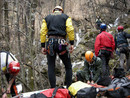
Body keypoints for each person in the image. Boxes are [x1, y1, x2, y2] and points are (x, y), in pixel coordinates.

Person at [40, 6, 74, 88]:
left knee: (51, 67)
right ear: (61, 11)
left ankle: (53, 89)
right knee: (68, 66)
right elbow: (70, 29)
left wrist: (42, 45)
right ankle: (69, 88)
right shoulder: (66, 17)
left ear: (53, 11)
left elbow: (43, 32)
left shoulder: (47, 18)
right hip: (61, 43)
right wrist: (72, 43)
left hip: (50, 44)